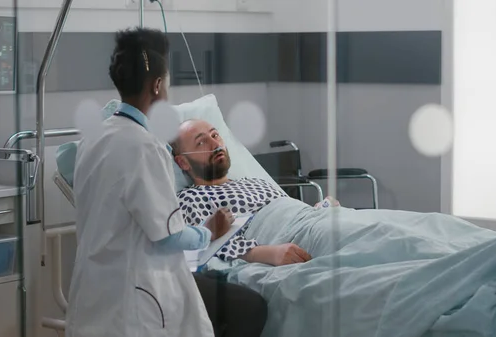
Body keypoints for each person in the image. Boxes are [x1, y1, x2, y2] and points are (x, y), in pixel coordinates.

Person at [66, 28, 266, 337]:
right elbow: (168, 237)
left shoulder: (93, 138)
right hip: (134, 298)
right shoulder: (146, 146)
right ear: (158, 85)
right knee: (243, 308)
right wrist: (209, 231)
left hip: (93, 290)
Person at [171, 119, 337, 265]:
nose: (215, 145)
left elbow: (292, 215)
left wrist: (322, 209)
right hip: (288, 240)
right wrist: (267, 253)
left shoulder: (255, 182)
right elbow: (204, 246)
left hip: (313, 225)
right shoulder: (190, 198)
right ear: (183, 162)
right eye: (201, 143)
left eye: (215, 135)